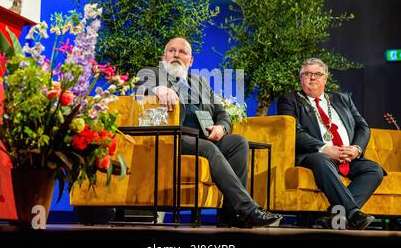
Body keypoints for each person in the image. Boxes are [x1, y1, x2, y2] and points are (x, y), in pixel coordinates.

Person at [136, 37, 282, 227]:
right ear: (164, 57)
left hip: (203, 137)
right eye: (172, 51)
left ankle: (231, 214)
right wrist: (159, 89)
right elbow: (140, 86)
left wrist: (221, 127)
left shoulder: (200, 82)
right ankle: (248, 209)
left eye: (182, 52)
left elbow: (222, 112)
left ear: (191, 60)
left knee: (238, 142)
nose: (176, 55)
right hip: (173, 138)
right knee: (208, 149)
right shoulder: (153, 74)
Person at [277, 58, 385, 230]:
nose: (312, 78)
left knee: (375, 170)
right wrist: (324, 149)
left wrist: (356, 149)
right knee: (322, 160)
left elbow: (362, 127)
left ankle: (336, 216)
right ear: (300, 79)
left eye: (317, 74)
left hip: (347, 154)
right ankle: (353, 214)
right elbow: (294, 132)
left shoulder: (342, 99)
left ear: (325, 78)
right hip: (314, 154)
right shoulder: (290, 100)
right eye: (307, 74)